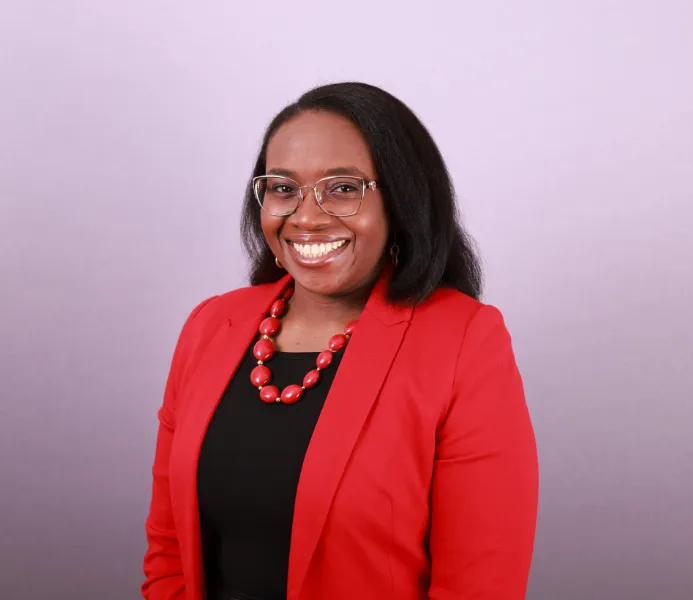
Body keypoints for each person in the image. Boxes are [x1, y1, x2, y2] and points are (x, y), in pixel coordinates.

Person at [142, 82, 538, 600]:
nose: (306, 216)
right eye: (283, 188)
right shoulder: (211, 326)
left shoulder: (463, 340)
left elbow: (480, 586)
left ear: (401, 200)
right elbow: (169, 552)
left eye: (344, 188)